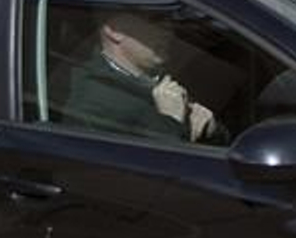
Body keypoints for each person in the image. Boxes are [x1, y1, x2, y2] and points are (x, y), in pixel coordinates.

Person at [65, 11, 222, 144]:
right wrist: (170, 120)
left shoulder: (167, 73)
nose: (169, 31)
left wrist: (212, 128)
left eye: (170, 21)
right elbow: (140, 170)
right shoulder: (94, 101)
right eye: (155, 20)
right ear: (115, 31)